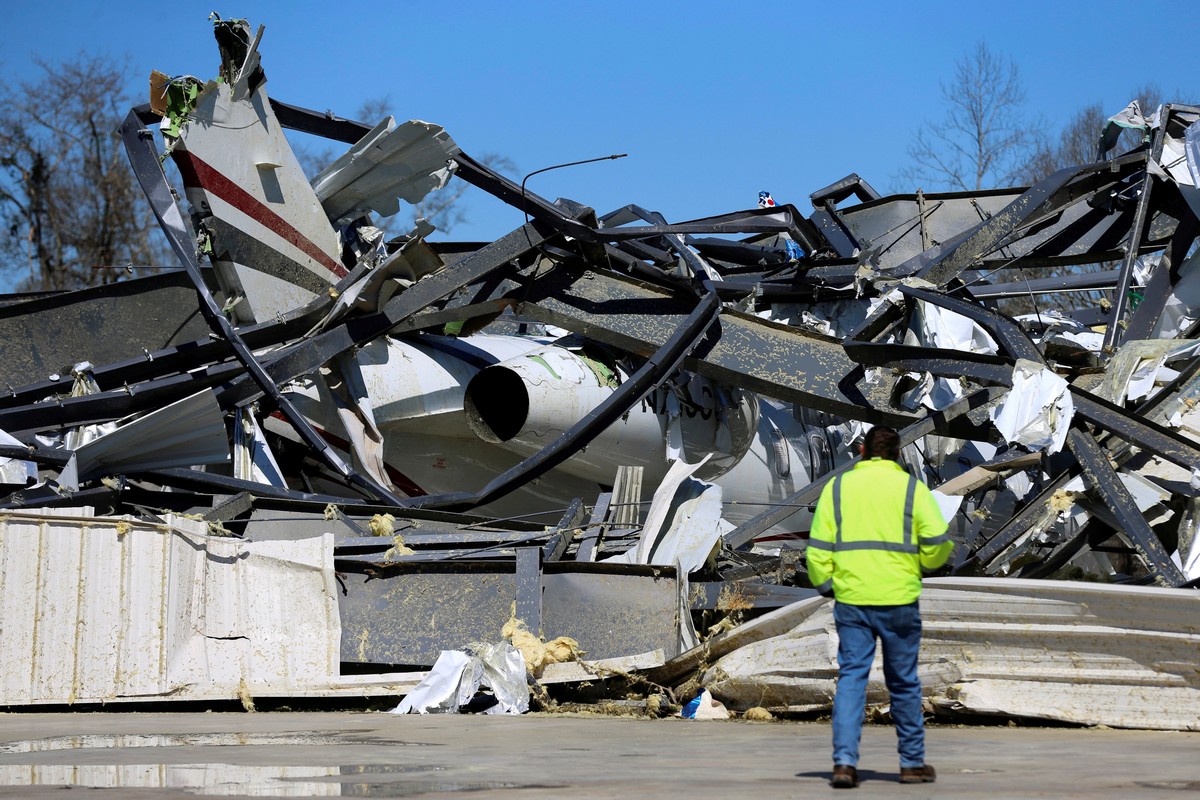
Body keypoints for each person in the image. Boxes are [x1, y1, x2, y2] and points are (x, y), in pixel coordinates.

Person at [806, 425, 953, 789]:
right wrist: (922, 566)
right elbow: (939, 543)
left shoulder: (837, 488)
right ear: (897, 454)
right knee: (903, 682)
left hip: (852, 599)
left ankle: (843, 764)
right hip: (899, 598)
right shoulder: (911, 490)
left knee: (852, 678)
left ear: (861, 450)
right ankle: (911, 765)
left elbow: (818, 548)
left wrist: (827, 585)